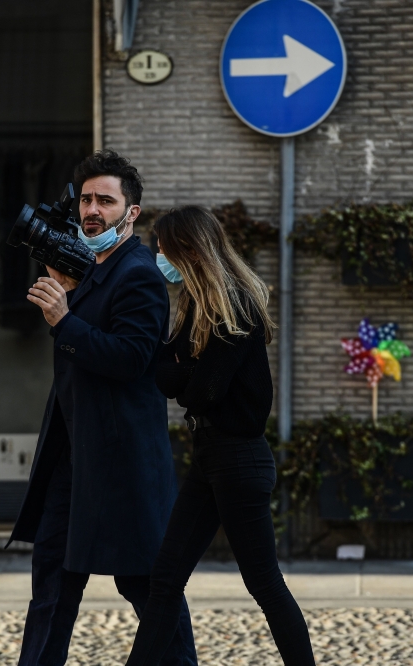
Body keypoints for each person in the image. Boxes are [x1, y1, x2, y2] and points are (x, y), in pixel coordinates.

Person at [9, 150, 197, 666]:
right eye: (87, 199)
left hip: (119, 465)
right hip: (73, 460)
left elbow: (133, 359)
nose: (92, 209)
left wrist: (63, 319)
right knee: (51, 588)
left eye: (106, 201)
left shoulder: (137, 273)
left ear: (131, 213)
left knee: (147, 589)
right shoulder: (89, 267)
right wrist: (68, 300)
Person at [124, 205, 316, 666]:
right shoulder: (196, 307)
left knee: (264, 582)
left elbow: (202, 390)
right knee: (165, 579)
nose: (159, 256)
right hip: (212, 459)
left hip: (239, 461)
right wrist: (179, 373)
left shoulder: (236, 308)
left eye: (164, 248)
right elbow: (166, 370)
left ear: (189, 250)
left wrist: (179, 375)